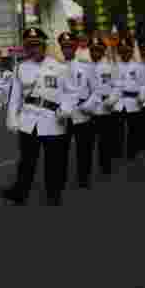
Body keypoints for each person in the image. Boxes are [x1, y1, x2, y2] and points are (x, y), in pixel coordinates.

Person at [2, 28, 73, 207]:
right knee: (26, 162)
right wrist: (11, 118)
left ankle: (54, 193)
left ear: (44, 45)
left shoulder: (60, 67)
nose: (34, 49)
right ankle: (20, 192)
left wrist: (66, 108)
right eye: (29, 46)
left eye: (37, 45)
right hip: (28, 121)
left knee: (53, 162)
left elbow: (70, 93)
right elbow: (15, 97)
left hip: (53, 120)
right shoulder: (21, 68)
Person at [58, 32, 96, 189]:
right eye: (64, 47)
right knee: (60, 152)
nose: (67, 50)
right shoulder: (56, 68)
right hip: (63, 116)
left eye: (70, 46)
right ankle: (60, 179)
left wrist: (89, 105)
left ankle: (83, 178)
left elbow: (96, 91)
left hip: (82, 114)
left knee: (84, 150)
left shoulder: (86, 66)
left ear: (75, 47)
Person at [85, 36, 119, 178]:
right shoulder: (86, 67)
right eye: (93, 50)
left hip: (106, 109)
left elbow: (117, 86)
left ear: (103, 51)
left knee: (106, 142)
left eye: (98, 50)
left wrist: (112, 99)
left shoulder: (110, 67)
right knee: (88, 143)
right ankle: (86, 172)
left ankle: (106, 168)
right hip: (89, 110)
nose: (95, 53)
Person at [113, 38, 145, 160]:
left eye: (127, 51)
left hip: (134, 102)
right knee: (118, 130)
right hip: (118, 102)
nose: (124, 54)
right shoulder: (115, 66)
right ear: (119, 52)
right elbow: (112, 84)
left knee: (134, 129)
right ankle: (117, 151)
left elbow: (143, 84)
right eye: (121, 51)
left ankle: (132, 150)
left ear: (132, 51)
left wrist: (142, 97)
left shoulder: (139, 66)